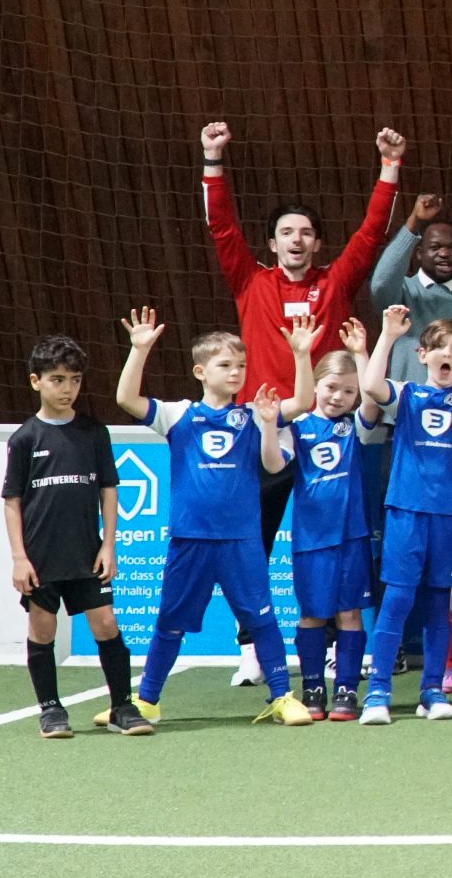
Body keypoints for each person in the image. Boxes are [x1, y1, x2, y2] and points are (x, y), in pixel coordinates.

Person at [199, 120, 404, 686]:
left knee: (335, 543)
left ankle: (337, 647)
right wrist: (212, 160)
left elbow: (371, 234)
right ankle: (250, 647)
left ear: (317, 243)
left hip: (325, 436)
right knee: (251, 544)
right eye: (286, 232)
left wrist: (389, 168)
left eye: (306, 233)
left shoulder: (334, 284)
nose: (296, 239)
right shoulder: (250, 282)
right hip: (263, 431)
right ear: (271, 243)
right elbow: (221, 227)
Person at [114, 307, 317, 727]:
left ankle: (281, 697)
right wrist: (139, 350)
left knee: (261, 619)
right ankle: (147, 701)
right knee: (170, 621)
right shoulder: (178, 414)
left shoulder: (254, 415)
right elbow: (126, 400)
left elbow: (301, 403)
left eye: (241, 365)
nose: (236, 372)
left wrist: (301, 355)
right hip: (190, 539)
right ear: (200, 372)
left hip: (241, 540)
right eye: (225, 365)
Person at [6, 336, 145, 738]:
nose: (67, 389)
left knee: (106, 623)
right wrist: (19, 558)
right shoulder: (24, 439)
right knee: (42, 629)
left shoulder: (94, 433)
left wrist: (108, 545)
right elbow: (12, 502)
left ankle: (122, 706)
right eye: (57, 379)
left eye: (75, 380)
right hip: (41, 556)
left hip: (87, 553)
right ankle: (51, 710)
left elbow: (108, 490)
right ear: (36, 381)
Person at [355, 308, 452, 724]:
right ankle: (378, 692)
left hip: (449, 514)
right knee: (397, 598)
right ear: (423, 354)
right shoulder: (407, 394)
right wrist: (387, 335)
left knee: (437, 602)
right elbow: (371, 385)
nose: (448, 354)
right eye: (440, 347)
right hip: (406, 510)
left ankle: (432, 690)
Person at [279, 328, 381, 722]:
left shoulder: (356, 427)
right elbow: (273, 461)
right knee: (312, 615)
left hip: (352, 537)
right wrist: (301, 356)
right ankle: (312, 687)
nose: (339, 397)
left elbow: (372, 399)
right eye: (332, 387)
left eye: (348, 391)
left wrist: (362, 352)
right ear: (317, 386)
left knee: (350, 614)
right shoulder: (297, 427)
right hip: (311, 540)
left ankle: (346, 689)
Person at [367, 193, 452, 386]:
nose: (444, 253)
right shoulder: (402, 292)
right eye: (435, 247)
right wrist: (414, 221)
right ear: (420, 253)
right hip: (406, 401)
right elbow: (380, 284)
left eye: (451, 248)